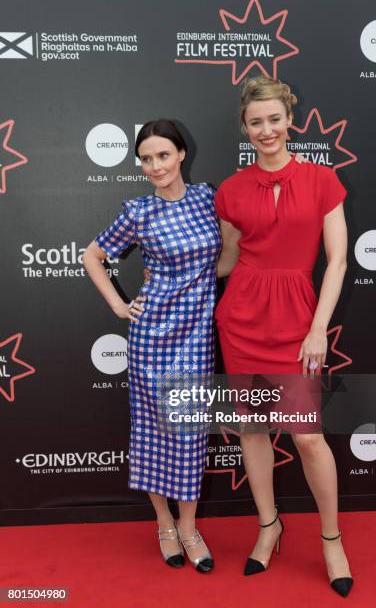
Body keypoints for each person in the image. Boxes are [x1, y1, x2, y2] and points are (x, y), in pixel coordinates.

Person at [214, 76, 353, 597]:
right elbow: (227, 259)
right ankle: (268, 526)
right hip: (242, 320)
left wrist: (319, 328)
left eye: (274, 119)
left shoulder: (323, 180)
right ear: (245, 128)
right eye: (256, 122)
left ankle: (331, 537)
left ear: (289, 119)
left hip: (298, 321)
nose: (266, 130)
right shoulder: (230, 189)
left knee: (307, 436)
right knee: (251, 432)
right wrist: (175, 279)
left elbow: (337, 260)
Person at [83, 120, 221, 573]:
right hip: (152, 337)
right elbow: (92, 256)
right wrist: (121, 307)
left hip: (197, 336)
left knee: (189, 433)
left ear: (182, 153)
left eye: (163, 155)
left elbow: (230, 250)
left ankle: (189, 526)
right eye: (146, 158)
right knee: (151, 432)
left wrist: (202, 281)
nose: (155, 165)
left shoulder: (207, 198)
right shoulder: (138, 211)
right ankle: (164, 524)